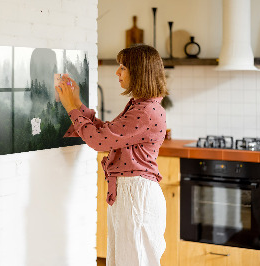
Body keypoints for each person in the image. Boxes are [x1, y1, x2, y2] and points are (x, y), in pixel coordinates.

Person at [56, 44, 168, 266]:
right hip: (131, 193)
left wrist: (71, 108)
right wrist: (77, 103)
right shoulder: (141, 106)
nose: (117, 72)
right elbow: (107, 133)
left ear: (139, 72)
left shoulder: (145, 111)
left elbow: (99, 141)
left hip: (136, 195)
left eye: (123, 67)